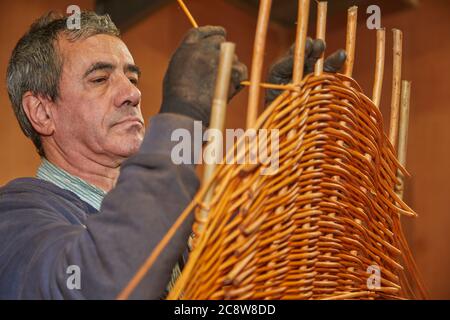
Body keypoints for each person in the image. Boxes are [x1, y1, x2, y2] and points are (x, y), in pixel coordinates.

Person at [0, 10, 346, 299]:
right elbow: (105, 284)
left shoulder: (163, 208)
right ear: (42, 112)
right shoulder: (15, 217)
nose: (132, 94)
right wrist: (182, 116)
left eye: (132, 77)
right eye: (100, 78)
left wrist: (281, 131)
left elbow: (242, 283)